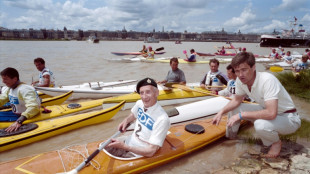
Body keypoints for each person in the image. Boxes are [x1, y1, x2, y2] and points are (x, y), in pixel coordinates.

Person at [212, 52, 301, 158]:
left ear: (253, 67)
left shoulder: (267, 80)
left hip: (289, 118)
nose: (240, 75)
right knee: (236, 108)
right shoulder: (240, 81)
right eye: (237, 71)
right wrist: (221, 112)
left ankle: (276, 143)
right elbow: (236, 100)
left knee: (260, 124)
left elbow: (271, 113)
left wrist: (241, 115)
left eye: (244, 70)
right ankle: (232, 138)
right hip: (267, 110)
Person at [105, 77, 171, 158]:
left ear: (156, 93)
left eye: (148, 92)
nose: (144, 96)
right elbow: (133, 115)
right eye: (141, 93)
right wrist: (126, 120)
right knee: (102, 149)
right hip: (128, 142)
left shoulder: (162, 119)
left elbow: (151, 151)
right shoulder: (139, 103)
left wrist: (124, 147)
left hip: (138, 154)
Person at [0, 67, 41, 132]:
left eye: (5, 79)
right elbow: (2, 99)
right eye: (2, 79)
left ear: (15, 79)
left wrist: (19, 121)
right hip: (15, 114)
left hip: (27, 115)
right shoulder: (10, 88)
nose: (3, 81)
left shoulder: (24, 89)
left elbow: (34, 107)